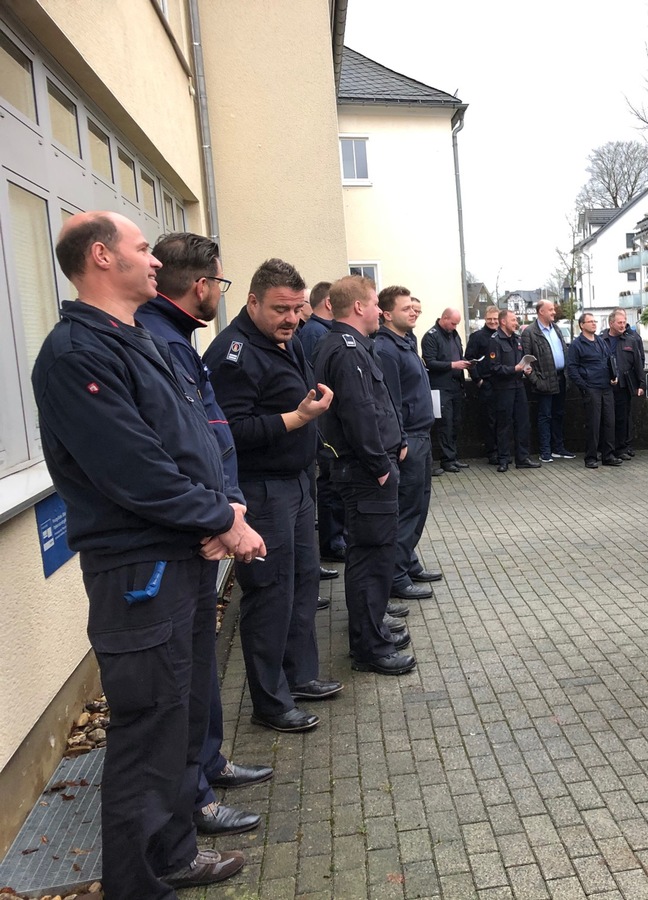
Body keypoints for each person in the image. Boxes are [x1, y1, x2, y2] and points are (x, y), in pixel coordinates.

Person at [33, 211, 262, 896]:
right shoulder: (78, 354)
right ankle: (138, 881)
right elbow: (134, 469)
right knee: (146, 731)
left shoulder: (137, 340)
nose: (156, 261)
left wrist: (223, 509)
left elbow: (189, 437)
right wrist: (223, 515)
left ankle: (173, 853)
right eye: (142, 248)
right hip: (142, 569)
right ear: (102, 257)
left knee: (177, 717)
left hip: (179, 554)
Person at [137, 232, 272, 838]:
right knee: (181, 681)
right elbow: (169, 450)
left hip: (213, 521)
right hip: (187, 536)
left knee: (198, 667)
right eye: (219, 283)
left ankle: (209, 764)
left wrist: (233, 507)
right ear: (202, 286)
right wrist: (220, 519)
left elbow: (210, 434)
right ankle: (192, 794)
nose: (218, 292)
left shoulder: (177, 340)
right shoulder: (156, 343)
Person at [204, 260, 344, 734]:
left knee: (304, 582)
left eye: (296, 309)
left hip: (297, 483)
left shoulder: (282, 342)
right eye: (280, 309)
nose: (291, 318)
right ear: (251, 302)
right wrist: (297, 420)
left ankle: (298, 676)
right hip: (262, 491)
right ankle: (270, 701)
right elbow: (229, 432)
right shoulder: (234, 355)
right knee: (269, 594)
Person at [313, 276, 418, 675]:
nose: (379, 310)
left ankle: (372, 627)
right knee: (371, 560)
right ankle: (369, 647)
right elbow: (359, 416)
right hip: (365, 472)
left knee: (372, 556)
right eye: (375, 304)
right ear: (358, 307)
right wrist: (380, 469)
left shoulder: (348, 346)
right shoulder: (345, 349)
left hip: (367, 469)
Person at [376, 286, 442, 604]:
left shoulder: (404, 343)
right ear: (386, 314)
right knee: (408, 508)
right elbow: (389, 400)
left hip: (421, 434)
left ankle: (408, 561)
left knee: (419, 504)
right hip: (408, 439)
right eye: (406, 308)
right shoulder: (386, 349)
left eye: (415, 308)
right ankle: (396, 575)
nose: (413, 312)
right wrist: (399, 439)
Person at [298, 281, 347, 562]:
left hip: (326, 423)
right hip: (324, 424)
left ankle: (335, 538)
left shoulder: (321, 331)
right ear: (329, 303)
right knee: (329, 484)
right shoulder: (316, 333)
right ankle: (332, 542)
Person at [484, 309, 541, 472]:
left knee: (523, 423)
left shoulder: (517, 339)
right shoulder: (495, 340)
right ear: (503, 322)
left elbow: (521, 360)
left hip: (518, 386)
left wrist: (525, 368)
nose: (516, 323)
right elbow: (494, 368)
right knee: (504, 424)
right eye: (513, 320)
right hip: (503, 388)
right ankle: (503, 459)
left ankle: (522, 458)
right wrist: (513, 369)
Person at [565, 311, 620, 469]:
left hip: (606, 386)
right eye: (590, 321)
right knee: (593, 424)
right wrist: (584, 386)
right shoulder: (577, 344)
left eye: (595, 321)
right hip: (591, 388)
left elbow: (610, 359)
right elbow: (572, 368)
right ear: (582, 325)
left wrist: (613, 375)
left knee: (609, 422)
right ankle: (591, 457)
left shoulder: (600, 341)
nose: (594, 324)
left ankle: (608, 455)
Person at [522, 299, 573, 462]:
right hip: (544, 380)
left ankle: (558, 448)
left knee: (559, 414)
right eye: (550, 309)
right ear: (541, 311)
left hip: (561, 378)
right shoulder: (530, 332)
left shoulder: (556, 328)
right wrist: (537, 381)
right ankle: (545, 451)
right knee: (545, 416)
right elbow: (526, 360)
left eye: (554, 309)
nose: (554, 312)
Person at [422, 307, 471, 473]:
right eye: (453, 323)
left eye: (457, 324)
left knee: (456, 423)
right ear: (444, 318)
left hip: (456, 385)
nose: (455, 327)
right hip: (440, 387)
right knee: (445, 425)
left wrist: (465, 362)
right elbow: (429, 362)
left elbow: (458, 355)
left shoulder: (454, 335)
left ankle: (454, 457)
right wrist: (453, 365)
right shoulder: (431, 336)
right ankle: (446, 460)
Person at [603, 309, 645, 460]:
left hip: (624, 386)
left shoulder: (631, 341)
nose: (623, 325)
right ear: (611, 323)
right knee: (606, 419)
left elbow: (638, 364)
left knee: (623, 418)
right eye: (619, 322)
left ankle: (621, 449)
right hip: (605, 386)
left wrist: (641, 384)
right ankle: (607, 449)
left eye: (624, 322)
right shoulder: (602, 340)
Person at [465, 305, 501, 464]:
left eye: (495, 319)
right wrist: (478, 380)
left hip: (503, 384)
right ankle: (492, 452)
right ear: (485, 319)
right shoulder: (477, 337)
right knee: (490, 420)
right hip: (487, 383)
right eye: (490, 319)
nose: (493, 322)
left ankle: (503, 450)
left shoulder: (504, 335)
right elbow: (469, 359)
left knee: (503, 420)